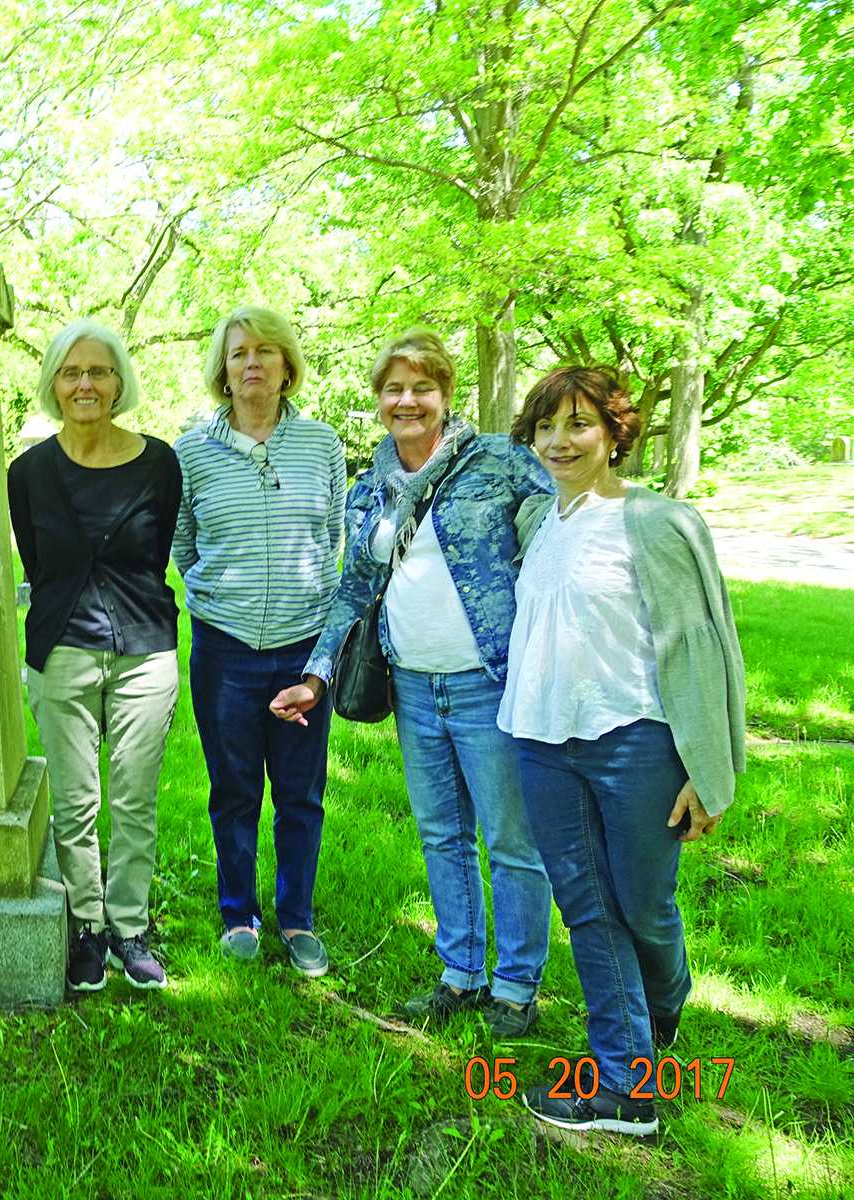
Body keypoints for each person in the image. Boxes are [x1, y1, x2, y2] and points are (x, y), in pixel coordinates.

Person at [272, 327, 553, 1029]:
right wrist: (316, 673)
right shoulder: (372, 487)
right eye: (394, 389)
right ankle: (461, 975)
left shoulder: (496, 460)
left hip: (489, 682)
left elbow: (565, 519)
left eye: (422, 387)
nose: (408, 401)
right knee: (442, 836)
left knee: (511, 841)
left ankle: (516, 987)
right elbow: (354, 588)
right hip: (415, 689)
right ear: (379, 400)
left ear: (446, 394)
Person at [501, 367, 744, 1136]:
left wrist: (707, 772)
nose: (559, 442)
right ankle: (625, 1086)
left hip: (634, 743)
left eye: (578, 425)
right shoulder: (537, 521)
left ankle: (664, 1005)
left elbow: (704, 646)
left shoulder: (660, 522)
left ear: (614, 434)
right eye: (545, 427)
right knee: (590, 910)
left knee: (644, 905)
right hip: (541, 742)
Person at [8, 319, 182, 991]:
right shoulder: (27, 474)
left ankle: (129, 926)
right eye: (72, 372)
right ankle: (86, 925)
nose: (86, 384)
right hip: (61, 650)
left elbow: (156, 553)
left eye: (99, 372)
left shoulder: (159, 462)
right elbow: (41, 563)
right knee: (76, 803)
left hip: (145, 651)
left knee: (135, 799)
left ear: (119, 382)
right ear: (55, 384)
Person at [176, 306, 345, 978]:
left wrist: (307, 640)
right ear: (223, 368)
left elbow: (330, 538)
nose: (253, 364)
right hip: (225, 650)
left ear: (287, 366)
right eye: (240, 352)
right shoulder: (191, 451)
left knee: (300, 795)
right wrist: (226, 599)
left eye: (267, 352)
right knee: (234, 790)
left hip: (301, 653)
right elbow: (184, 545)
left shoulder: (323, 444)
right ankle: (238, 913)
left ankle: (297, 919)